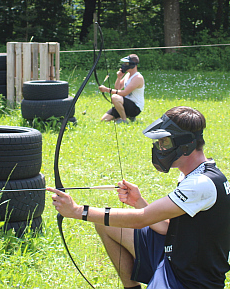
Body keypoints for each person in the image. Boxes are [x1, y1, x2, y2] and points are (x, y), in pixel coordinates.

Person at [48, 107, 230, 289]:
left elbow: (142, 219)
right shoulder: (194, 174)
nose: (160, 148)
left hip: (189, 280)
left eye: (165, 142)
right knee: (106, 224)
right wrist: (138, 202)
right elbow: (167, 227)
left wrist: (77, 211)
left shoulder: (201, 184)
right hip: (175, 257)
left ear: (186, 145)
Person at [99, 54, 144, 124]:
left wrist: (106, 89)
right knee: (103, 120)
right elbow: (118, 88)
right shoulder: (127, 75)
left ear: (133, 65)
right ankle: (123, 117)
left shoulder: (138, 78)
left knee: (115, 97)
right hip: (124, 104)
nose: (124, 65)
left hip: (135, 108)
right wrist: (119, 77)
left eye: (127, 63)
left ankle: (124, 119)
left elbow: (124, 93)